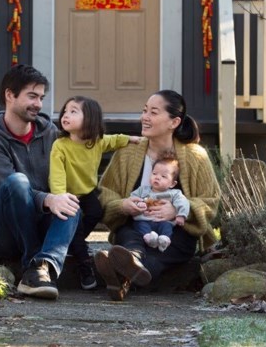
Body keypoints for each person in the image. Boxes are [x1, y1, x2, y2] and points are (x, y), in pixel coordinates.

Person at [93, 90, 221, 301]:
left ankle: (118, 270)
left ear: (174, 122)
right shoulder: (127, 153)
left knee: (162, 251)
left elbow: (211, 200)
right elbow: (105, 192)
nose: (145, 117)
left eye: (153, 112)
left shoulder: (195, 156)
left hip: (176, 233)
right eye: (144, 111)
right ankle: (129, 264)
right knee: (129, 238)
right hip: (135, 227)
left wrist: (179, 209)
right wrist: (123, 205)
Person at [0, 64, 81, 300]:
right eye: (32, 96)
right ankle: (32, 262)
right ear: (10, 95)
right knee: (16, 182)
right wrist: (48, 199)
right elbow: (9, 187)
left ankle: (43, 266)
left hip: (36, 221)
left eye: (41, 97)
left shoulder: (49, 133)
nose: (39, 104)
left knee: (71, 203)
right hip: (0, 231)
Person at [50, 96, 143, 290]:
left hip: (88, 192)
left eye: (73, 111)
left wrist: (130, 139)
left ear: (90, 118)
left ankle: (75, 240)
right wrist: (59, 196)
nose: (66, 115)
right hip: (67, 195)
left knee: (96, 212)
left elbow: (113, 140)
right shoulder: (60, 145)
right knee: (73, 223)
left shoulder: (96, 142)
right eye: (65, 111)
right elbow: (56, 174)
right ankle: (85, 265)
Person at [128, 149, 190, 252]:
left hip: (163, 221)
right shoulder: (143, 190)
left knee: (167, 227)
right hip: (145, 220)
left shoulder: (174, 193)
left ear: (172, 184)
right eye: (154, 173)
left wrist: (181, 215)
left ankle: (164, 239)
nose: (157, 178)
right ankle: (149, 238)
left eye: (163, 176)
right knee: (139, 225)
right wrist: (138, 203)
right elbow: (132, 198)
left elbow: (183, 202)